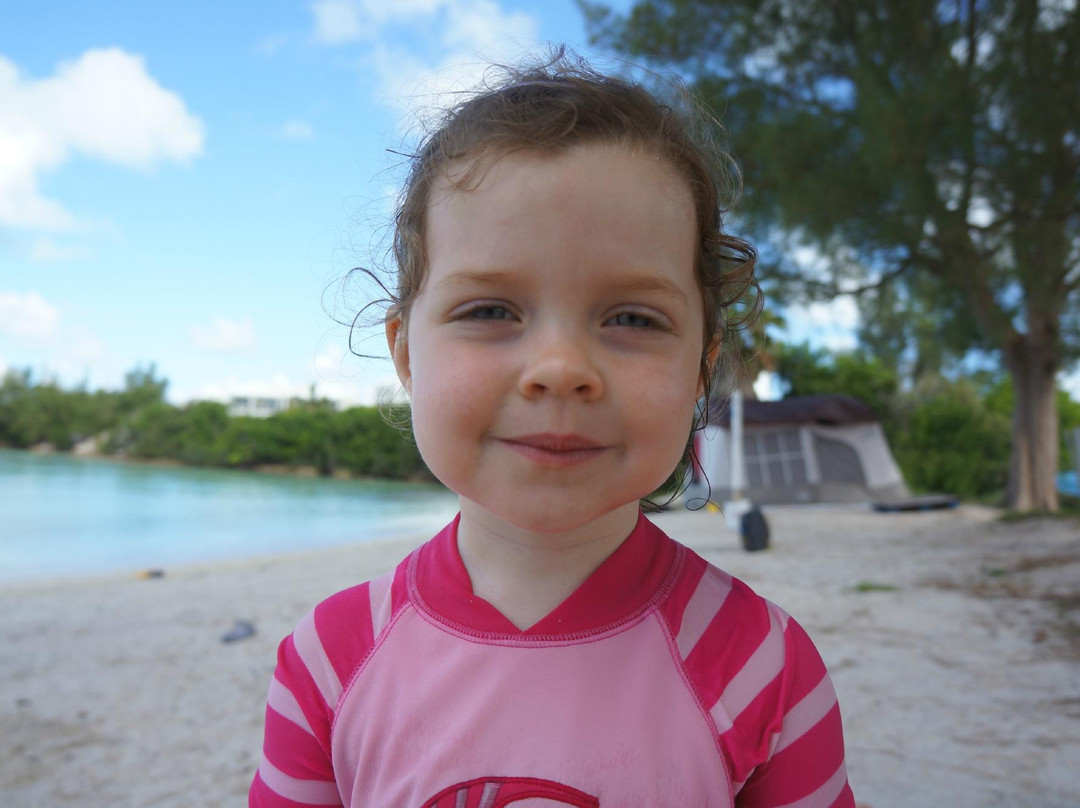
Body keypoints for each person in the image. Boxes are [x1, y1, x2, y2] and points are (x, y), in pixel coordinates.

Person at [250, 52, 856, 808]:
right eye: (491, 311)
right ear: (407, 353)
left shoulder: (762, 666)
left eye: (633, 318)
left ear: (702, 367)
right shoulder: (330, 659)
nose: (561, 367)